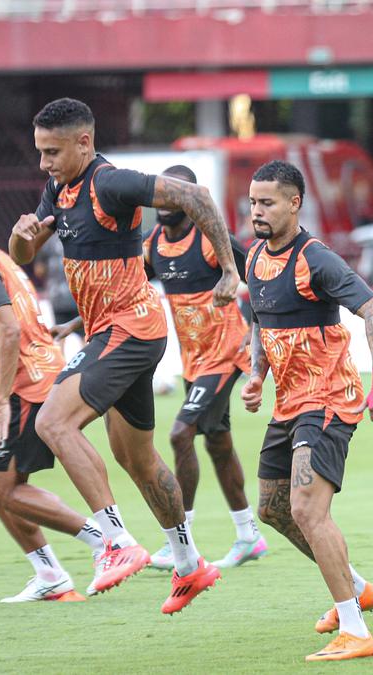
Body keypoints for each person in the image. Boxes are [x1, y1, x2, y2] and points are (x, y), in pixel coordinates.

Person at [9, 97, 239, 614]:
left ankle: (115, 542)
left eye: (52, 151)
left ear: (84, 142)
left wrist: (228, 268)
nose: (44, 162)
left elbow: (194, 194)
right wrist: (21, 238)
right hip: (110, 332)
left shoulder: (111, 182)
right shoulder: (58, 188)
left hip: (130, 329)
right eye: (40, 151)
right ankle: (189, 563)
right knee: (135, 456)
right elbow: (24, 253)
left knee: (54, 423)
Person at [240, 160, 373, 662]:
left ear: (294, 204)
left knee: (308, 509)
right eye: (253, 202)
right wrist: (257, 373)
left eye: (267, 202)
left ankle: (355, 630)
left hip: (329, 400)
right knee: (273, 510)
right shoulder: (254, 259)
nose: (257, 211)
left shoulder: (318, 259)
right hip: (288, 405)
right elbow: (262, 323)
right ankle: (356, 587)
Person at [0, 187, 106, 603]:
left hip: (29, 388)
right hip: (40, 375)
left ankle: (107, 540)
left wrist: (2, 401)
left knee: (2, 489)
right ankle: (49, 573)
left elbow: (10, 331)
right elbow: (20, 334)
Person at [141, 165, 268, 569]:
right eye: (161, 195)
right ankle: (248, 535)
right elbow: (127, 288)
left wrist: (259, 327)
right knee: (217, 443)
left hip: (227, 353)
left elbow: (264, 276)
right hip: (194, 363)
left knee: (181, 434)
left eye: (173, 195)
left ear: (190, 197)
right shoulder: (154, 245)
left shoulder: (212, 240)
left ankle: (181, 543)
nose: (163, 203)